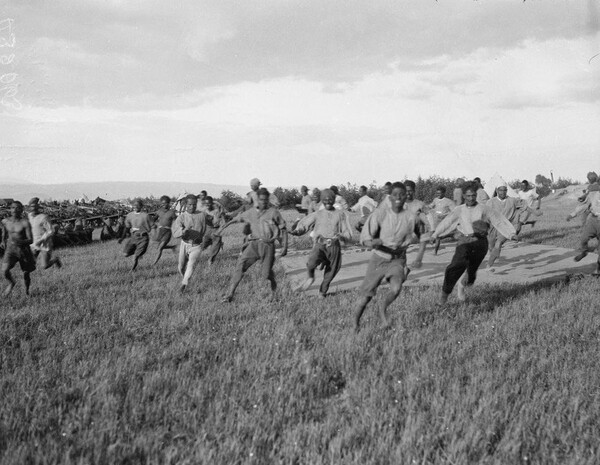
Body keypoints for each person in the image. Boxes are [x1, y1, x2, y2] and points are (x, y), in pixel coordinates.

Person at [431, 182, 518, 305]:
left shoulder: (484, 208)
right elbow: (448, 222)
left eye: (473, 195)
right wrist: (435, 234)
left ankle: (462, 285)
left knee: (471, 275)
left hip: (480, 243)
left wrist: (511, 233)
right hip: (465, 241)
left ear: (476, 195)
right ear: (464, 196)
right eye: (468, 196)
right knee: (455, 266)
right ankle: (443, 298)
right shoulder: (459, 210)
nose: (471, 198)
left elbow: (498, 220)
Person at [353, 182, 416, 333]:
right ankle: (355, 323)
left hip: (397, 259)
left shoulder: (410, 214)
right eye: (395, 195)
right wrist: (374, 241)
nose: (399, 198)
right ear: (390, 197)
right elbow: (365, 239)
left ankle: (382, 310)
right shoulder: (380, 214)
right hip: (379, 258)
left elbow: (418, 234)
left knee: (396, 288)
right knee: (365, 297)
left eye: (403, 194)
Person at [219, 188, 288, 303]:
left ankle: (273, 282)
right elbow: (237, 219)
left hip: (268, 246)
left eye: (266, 200)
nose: (263, 203)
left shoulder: (273, 212)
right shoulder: (251, 212)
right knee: (240, 266)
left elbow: (284, 229)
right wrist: (224, 226)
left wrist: (285, 246)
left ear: (268, 201)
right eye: (261, 200)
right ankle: (229, 294)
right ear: (257, 200)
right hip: (254, 244)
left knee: (266, 274)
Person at [290, 189, 353, 297]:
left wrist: (343, 236)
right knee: (311, 263)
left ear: (334, 200)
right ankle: (310, 277)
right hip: (320, 244)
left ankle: (322, 292)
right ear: (322, 201)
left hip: (334, 246)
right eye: (325, 200)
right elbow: (305, 224)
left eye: (330, 200)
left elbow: (346, 230)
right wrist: (297, 231)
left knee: (332, 270)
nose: (328, 202)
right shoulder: (317, 214)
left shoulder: (340, 214)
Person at [172, 195, 209, 292]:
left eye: (194, 204)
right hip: (184, 244)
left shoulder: (202, 215)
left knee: (191, 265)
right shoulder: (182, 217)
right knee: (181, 267)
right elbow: (175, 231)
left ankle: (183, 286)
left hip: (196, 246)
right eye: (190, 204)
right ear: (185, 204)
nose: (192, 207)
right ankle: (187, 279)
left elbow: (211, 223)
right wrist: (183, 231)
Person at [2, 201, 35, 296]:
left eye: (17, 208)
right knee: (5, 270)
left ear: (21, 210)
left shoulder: (25, 222)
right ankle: (11, 282)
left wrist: (21, 242)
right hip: (10, 250)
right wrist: (3, 241)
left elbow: (31, 240)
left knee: (26, 273)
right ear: (10, 209)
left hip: (23, 250)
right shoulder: (5, 221)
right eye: (12, 208)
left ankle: (27, 291)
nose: (15, 210)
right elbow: (4, 231)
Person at [486, 184, 522, 268]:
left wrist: (519, 223)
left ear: (507, 191)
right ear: (497, 191)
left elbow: (521, 210)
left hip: (506, 227)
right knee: (491, 245)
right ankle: (493, 255)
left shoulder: (512, 200)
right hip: (493, 227)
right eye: (500, 190)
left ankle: (489, 265)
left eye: (504, 190)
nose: (503, 192)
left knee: (498, 244)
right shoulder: (490, 202)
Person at [567, 188, 600, 275]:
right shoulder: (593, 194)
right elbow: (583, 206)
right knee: (583, 239)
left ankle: (598, 269)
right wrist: (572, 214)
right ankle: (584, 251)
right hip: (593, 220)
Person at [28, 198, 62, 270]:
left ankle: (55, 260)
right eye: (31, 206)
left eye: (35, 207)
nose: (33, 208)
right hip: (34, 243)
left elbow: (50, 231)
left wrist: (41, 240)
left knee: (44, 266)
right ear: (29, 207)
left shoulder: (44, 217)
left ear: (38, 207)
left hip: (45, 244)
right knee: (29, 263)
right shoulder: (29, 216)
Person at [122, 199, 153, 271]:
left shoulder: (145, 216)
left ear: (141, 206)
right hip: (133, 237)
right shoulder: (130, 215)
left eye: (138, 205)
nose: (136, 206)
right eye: (134, 205)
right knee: (125, 254)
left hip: (143, 238)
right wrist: (122, 237)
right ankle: (137, 253)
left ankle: (132, 270)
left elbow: (153, 226)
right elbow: (127, 226)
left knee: (135, 257)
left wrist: (155, 235)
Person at [404, 180, 429, 268]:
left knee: (423, 238)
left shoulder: (419, 204)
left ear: (414, 191)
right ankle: (403, 266)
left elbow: (429, 214)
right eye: (406, 190)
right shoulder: (400, 203)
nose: (408, 193)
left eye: (410, 190)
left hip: (418, 230)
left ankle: (418, 260)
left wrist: (430, 227)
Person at [426, 186, 456, 255]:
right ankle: (450, 235)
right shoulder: (435, 200)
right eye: (437, 193)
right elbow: (431, 206)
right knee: (433, 233)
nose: (438, 195)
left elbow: (454, 211)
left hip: (443, 220)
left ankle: (435, 252)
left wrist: (445, 214)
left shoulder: (448, 201)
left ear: (444, 193)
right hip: (435, 220)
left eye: (439, 193)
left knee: (438, 237)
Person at [199, 196, 227, 266]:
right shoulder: (203, 212)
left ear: (212, 203)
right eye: (206, 204)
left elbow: (223, 222)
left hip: (216, 230)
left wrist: (220, 229)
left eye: (209, 204)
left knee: (215, 247)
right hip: (207, 230)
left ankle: (210, 260)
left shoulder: (217, 211)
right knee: (201, 246)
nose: (207, 205)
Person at [151, 195, 177, 265]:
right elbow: (154, 219)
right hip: (160, 231)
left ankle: (154, 264)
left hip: (167, 232)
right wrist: (151, 222)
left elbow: (177, 221)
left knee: (160, 248)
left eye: (165, 203)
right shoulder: (159, 211)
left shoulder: (172, 212)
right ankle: (172, 247)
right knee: (158, 246)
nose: (164, 205)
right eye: (162, 203)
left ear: (169, 203)